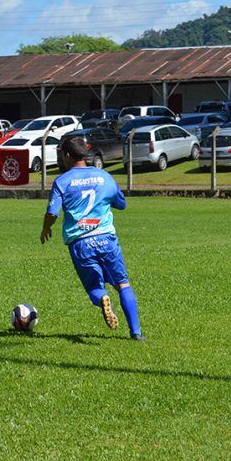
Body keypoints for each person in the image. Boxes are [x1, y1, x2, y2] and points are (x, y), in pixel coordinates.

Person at [40, 135, 145, 341]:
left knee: (95, 288)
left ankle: (103, 298)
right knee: (123, 284)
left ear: (67, 156)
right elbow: (121, 204)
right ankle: (136, 332)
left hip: (81, 243)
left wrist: (45, 229)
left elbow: (52, 212)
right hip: (107, 239)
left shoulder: (62, 181)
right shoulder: (104, 176)